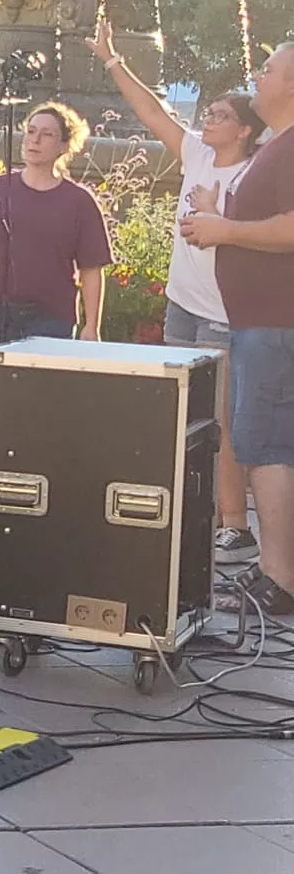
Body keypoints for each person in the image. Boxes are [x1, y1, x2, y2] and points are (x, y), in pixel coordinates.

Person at [93, 19, 270, 563]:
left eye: (219, 116)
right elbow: (152, 112)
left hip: (222, 313)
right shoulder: (195, 153)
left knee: (220, 422)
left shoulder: (256, 173)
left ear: (243, 130)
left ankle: (236, 524)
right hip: (183, 306)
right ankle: (188, 512)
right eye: (208, 113)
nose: (207, 120)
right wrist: (111, 59)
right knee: (179, 414)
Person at [181, 42, 294, 611]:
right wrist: (218, 216)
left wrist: (223, 232)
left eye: (269, 68)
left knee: (268, 447)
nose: (257, 73)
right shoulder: (278, 146)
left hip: (275, 325)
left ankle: (279, 581)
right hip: (264, 323)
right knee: (265, 444)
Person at [0, 102, 112, 350]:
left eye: (47, 134)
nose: (35, 140)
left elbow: (91, 269)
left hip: (51, 319)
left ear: (64, 146)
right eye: (31, 131)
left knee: (39, 389)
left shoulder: (79, 202)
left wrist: (92, 327)